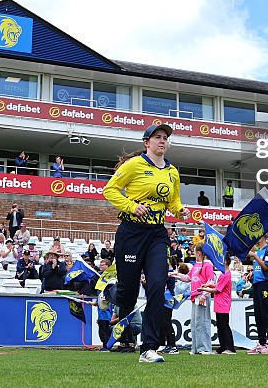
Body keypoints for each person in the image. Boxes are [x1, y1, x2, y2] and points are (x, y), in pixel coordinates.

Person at [101, 123, 185, 364]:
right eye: (157, 137)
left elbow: (174, 201)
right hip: (131, 232)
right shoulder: (135, 165)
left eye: (165, 138)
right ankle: (110, 292)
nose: (162, 141)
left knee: (158, 286)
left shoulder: (172, 172)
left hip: (157, 233)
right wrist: (131, 206)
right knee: (128, 294)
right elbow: (110, 190)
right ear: (146, 143)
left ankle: (149, 347)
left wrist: (180, 211)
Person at [248, 233, 268, 354]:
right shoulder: (260, 250)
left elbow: (266, 267)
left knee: (266, 314)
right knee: (258, 314)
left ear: (262, 238)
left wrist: (254, 256)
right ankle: (261, 343)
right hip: (257, 284)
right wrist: (252, 274)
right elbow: (259, 268)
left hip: (266, 284)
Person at [203, 262, 235, 354]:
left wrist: (205, 289)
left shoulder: (225, 274)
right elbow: (219, 286)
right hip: (220, 303)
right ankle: (223, 346)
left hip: (223, 303)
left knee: (224, 325)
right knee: (220, 325)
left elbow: (217, 290)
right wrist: (209, 286)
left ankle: (229, 347)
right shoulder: (224, 274)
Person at [189, 246, 214, 355]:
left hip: (201, 295)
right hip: (195, 296)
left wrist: (204, 295)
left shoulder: (208, 265)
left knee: (203, 321)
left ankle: (204, 348)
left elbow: (211, 280)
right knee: (195, 323)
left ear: (199, 253)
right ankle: (195, 348)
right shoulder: (195, 266)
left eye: (194, 251)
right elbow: (188, 278)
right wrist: (175, 275)